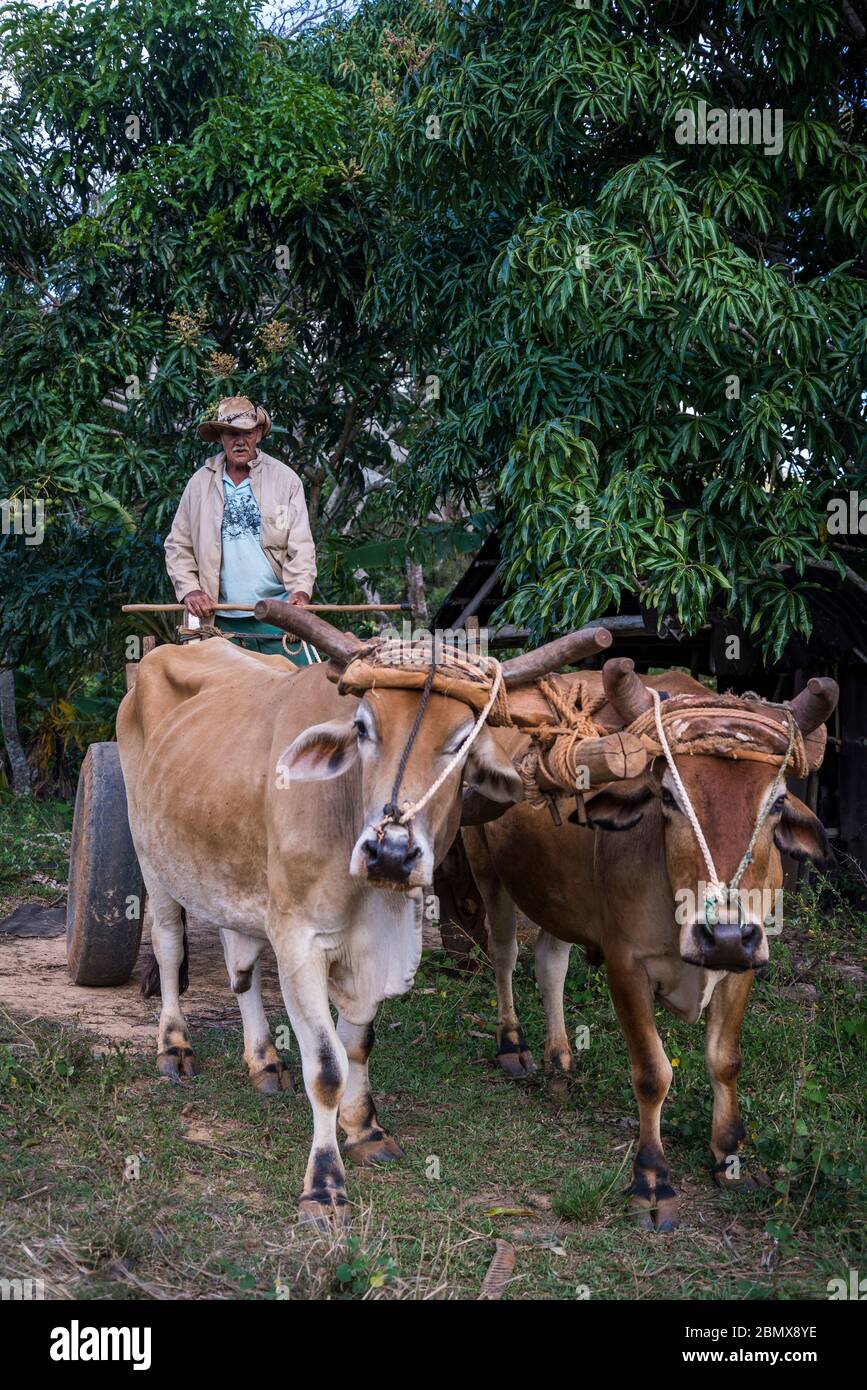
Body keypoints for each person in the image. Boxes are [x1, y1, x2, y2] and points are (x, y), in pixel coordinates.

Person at [164, 396, 318, 663]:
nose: (239, 441)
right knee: (220, 700)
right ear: (220, 437)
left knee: (304, 691)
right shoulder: (200, 483)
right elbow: (178, 545)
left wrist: (300, 593)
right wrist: (190, 590)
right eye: (231, 434)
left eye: (246, 433)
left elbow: (301, 547)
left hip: (277, 616)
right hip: (219, 620)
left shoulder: (285, 481)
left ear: (258, 433)